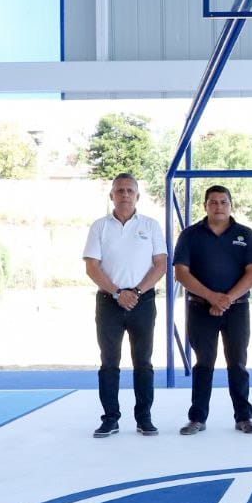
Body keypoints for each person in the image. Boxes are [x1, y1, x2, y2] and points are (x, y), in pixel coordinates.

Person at [173, 185, 252, 435]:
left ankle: (244, 417)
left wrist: (227, 300)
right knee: (203, 364)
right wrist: (212, 297)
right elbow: (181, 273)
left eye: (223, 202)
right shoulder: (190, 235)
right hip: (200, 308)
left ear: (231, 205)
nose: (218, 206)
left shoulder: (246, 234)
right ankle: (197, 418)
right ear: (205, 206)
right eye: (213, 202)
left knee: (238, 364)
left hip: (237, 309)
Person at [83, 173, 167, 438]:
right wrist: (119, 293)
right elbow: (92, 267)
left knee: (143, 362)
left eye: (130, 190)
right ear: (112, 196)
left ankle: (144, 418)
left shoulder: (151, 226)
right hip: (109, 302)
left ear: (138, 196)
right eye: (120, 190)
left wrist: (136, 292)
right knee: (109, 363)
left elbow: (161, 264)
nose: (125, 195)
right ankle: (110, 418)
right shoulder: (99, 227)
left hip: (142, 302)